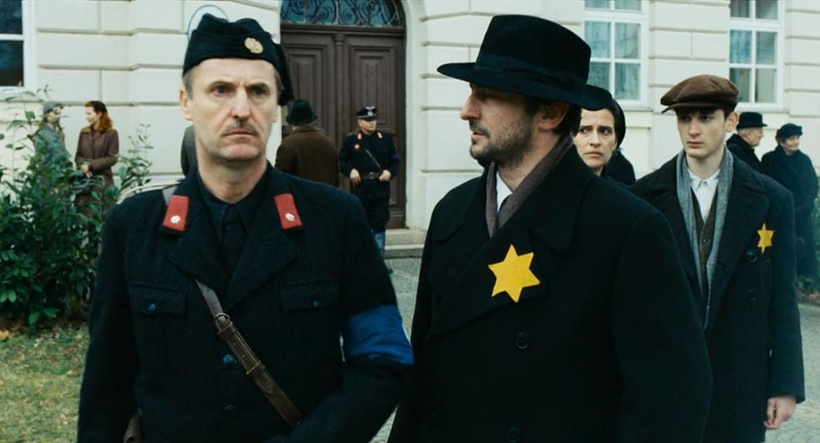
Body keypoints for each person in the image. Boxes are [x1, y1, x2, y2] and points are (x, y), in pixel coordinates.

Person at [77, 14, 412, 443]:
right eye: (220, 90)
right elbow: (106, 384)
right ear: (185, 102)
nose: (241, 109)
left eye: (258, 91)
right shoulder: (133, 227)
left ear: (277, 108)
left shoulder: (336, 219)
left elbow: (384, 356)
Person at [389, 15, 712, 442]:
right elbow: (424, 375)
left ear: (550, 113)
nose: (468, 110)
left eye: (488, 95)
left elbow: (670, 400)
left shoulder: (627, 227)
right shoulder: (452, 212)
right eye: (472, 92)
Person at [631, 75, 805, 442]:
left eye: (706, 117)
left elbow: (783, 299)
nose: (693, 130)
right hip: (667, 381)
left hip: (739, 380)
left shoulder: (773, 199)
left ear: (731, 121)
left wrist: (785, 385)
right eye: (684, 118)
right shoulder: (643, 197)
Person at [339, 106, 400, 260]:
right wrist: (351, 170)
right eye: (367, 120)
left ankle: (379, 261)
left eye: (373, 120)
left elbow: (395, 160)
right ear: (360, 122)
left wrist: (390, 172)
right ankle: (364, 261)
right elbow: (342, 161)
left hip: (380, 188)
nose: (372, 123)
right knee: (362, 224)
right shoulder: (352, 140)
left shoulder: (385, 139)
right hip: (361, 189)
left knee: (379, 225)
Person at [762, 123, 818, 279]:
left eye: (797, 138)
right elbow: (767, 186)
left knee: (803, 254)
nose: (796, 142)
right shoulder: (770, 160)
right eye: (791, 139)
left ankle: (802, 283)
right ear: (782, 141)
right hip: (780, 214)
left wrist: (805, 208)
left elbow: (812, 186)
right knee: (782, 253)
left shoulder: (804, 160)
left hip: (801, 214)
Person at [275, 99, 340, 186]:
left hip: (297, 194)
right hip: (325, 194)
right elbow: (336, 179)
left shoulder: (287, 145)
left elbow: (278, 180)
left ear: (292, 123)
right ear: (311, 121)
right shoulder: (329, 143)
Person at [75, 100, 119, 209]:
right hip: (85, 182)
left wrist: (91, 165)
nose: (87, 117)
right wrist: (83, 166)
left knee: (102, 211)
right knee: (84, 212)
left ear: (99, 114)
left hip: (103, 181)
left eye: (89, 114)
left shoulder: (111, 133)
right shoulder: (84, 133)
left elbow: (112, 158)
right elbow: (78, 155)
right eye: (86, 113)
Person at [573, 97, 628, 182]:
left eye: (605, 132)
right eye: (584, 130)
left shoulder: (624, 181)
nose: (596, 141)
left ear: (615, 142)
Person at [33, 101, 70, 167]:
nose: (58, 116)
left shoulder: (59, 132)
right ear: (47, 114)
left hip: (62, 170)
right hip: (50, 170)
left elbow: (63, 152)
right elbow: (41, 158)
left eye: (59, 114)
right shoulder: (41, 134)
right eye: (56, 113)